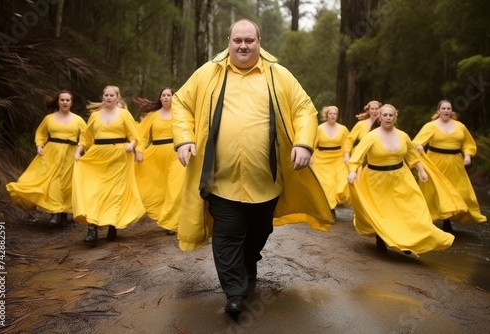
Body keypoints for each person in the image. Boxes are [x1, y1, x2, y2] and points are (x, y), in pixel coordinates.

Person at [171, 19, 333, 319]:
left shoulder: (278, 75)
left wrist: (304, 143)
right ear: (228, 41)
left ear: (260, 40)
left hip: (266, 179)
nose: (243, 46)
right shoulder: (210, 72)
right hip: (221, 179)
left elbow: (304, 109)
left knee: (259, 230)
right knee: (228, 233)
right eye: (237, 40)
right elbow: (181, 102)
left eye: (249, 40)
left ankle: (249, 260)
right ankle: (234, 293)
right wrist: (183, 138)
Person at [347, 104, 454, 255]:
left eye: (391, 115)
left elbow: (412, 156)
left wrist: (422, 172)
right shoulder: (371, 137)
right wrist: (352, 172)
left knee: (410, 209)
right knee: (385, 212)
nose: (388, 118)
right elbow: (356, 158)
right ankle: (381, 237)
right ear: (379, 118)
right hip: (376, 181)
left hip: (401, 177)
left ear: (395, 117)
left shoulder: (403, 136)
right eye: (385, 115)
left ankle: (409, 241)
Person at [72, 85, 146, 247]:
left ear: (117, 97)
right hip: (97, 156)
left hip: (119, 157)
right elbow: (86, 137)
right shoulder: (94, 116)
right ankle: (92, 228)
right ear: (102, 96)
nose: (108, 97)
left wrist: (131, 145)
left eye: (112, 95)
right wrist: (79, 151)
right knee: (94, 191)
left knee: (114, 193)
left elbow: (135, 135)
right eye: (106, 95)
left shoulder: (124, 114)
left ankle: (113, 223)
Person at [6, 90, 86, 226]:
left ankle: (63, 213)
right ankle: (54, 214)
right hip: (51, 152)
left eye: (68, 100)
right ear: (58, 102)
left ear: (71, 103)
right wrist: (39, 145)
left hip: (70, 153)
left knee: (66, 184)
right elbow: (41, 133)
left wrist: (80, 150)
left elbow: (85, 137)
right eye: (62, 100)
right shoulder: (49, 118)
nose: (65, 102)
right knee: (52, 181)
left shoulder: (78, 120)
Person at [412, 100, 487, 231]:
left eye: (448, 108)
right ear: (439, 111)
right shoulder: (431, 126)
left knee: (460, 192)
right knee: (437, 192)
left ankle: (450, 218)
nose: (446, 110)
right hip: (435, 162)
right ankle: (436, 220)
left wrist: (468, 155)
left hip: (456, 163)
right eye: (444, 108)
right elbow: (416, 142)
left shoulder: (460, 126)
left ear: (451, 111)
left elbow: (468, 143)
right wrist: (419, 146)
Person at [134, 88, 184, 235]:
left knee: (175, 187)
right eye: (164, 95)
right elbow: (141, 136)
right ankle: (164, 217)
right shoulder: (152, 116)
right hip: (155, 154)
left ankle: (171, 223)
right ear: (160, 98)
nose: (167, 97)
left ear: (173, 98)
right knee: (159, 189)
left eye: (169, 95)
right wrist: (139, 151)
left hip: (176, 154)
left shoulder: (180, 114)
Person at [312, 106, 351, 215]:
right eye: (331, 113)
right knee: (327, 184)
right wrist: (311, 156)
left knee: (341, 182)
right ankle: (330, 209)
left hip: (338, 158)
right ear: (326, 115)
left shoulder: (343, 129)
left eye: (335, 114)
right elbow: (313, 143)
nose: (333, 115)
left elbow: (347, 143)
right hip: (322, 159)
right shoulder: (319, 129)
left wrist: (346, 155)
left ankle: (334, 204)